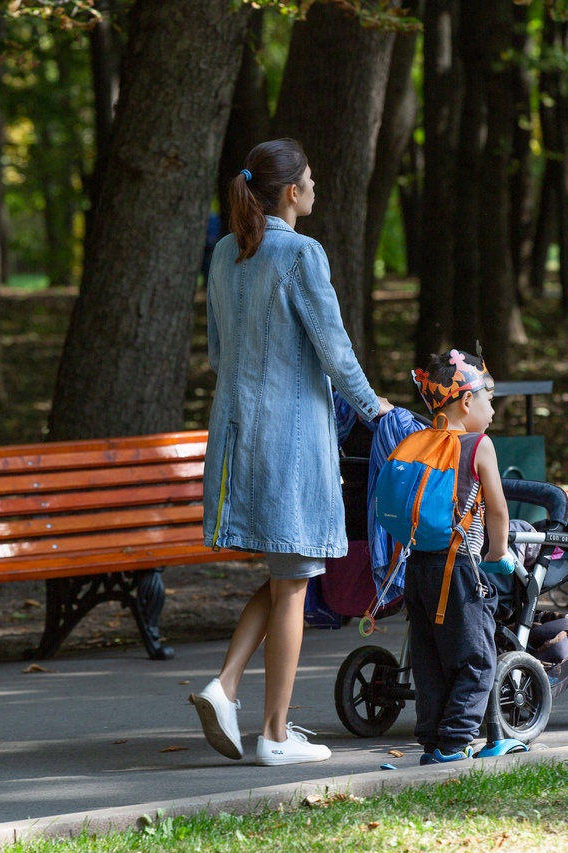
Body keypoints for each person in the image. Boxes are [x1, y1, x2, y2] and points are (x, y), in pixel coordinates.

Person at [194, 138, 393, 767]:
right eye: (310, 180)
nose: (314, 188)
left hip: (234, 439)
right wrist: (379, 412)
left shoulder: (226, 253)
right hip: (291, 444)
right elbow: (335, 353)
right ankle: (276, 735)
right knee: (297, 582)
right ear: (290, 193)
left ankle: (224, 688)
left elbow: (217, 354)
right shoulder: (301, 253)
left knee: (287, 577)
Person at [404, 349, 514, 765]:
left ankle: (432, 742)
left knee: (429, 658)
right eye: (488, 401)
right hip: (459, 569)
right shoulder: (478, 445)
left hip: (417, 568)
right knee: (477, 659)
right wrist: (498, 552)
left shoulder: (418, 442)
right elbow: (498, 508)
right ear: (467, 402)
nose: (491, 412)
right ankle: (455, 743)